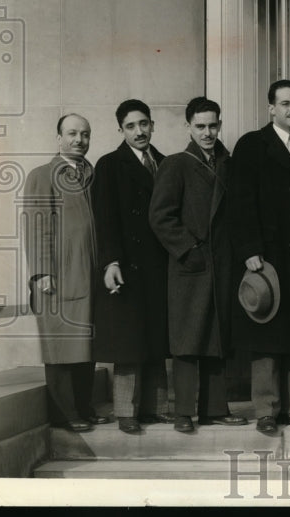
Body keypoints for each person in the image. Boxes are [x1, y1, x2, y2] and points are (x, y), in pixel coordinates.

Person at [148, 97, 247, 433]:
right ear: (188, 126)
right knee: (189, 339)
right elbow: (160, 217)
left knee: (217, 337)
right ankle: (184, 413)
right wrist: (189, 250)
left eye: (213, 125)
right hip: (191, 265)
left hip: (222, 265)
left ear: (220, 124)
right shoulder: (176, 164)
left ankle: (216, 409)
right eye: (201, 126)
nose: (208, 132)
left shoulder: (228, 163)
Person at [230, 79, 290, 434]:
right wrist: (250, 249)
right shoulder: (252, 145)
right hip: (266, 257)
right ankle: (267, 410)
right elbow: (240, 202)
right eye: (285, 104)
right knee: (266, 334)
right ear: (271, 108)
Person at [22, 113, 110, 432]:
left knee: (85, 345)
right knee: (59, 346)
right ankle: (64, 415)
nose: (79, 140)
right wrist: (42, 273)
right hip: (56, 278)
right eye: (72, 133)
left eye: (85, 134)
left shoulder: (91, 174)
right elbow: (36, 228)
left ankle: (84, 409)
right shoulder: (42, 175)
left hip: (87, 276)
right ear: (58, 138)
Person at [92, 99, 171, 434]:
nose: (139, 131)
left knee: (155, 335)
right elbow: (105, 218)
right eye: (131, 126)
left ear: (152, 125)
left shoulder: (165, 163)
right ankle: (126, 411)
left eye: (144, 124)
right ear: (120, 129)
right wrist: (110, 261)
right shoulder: (109, 165)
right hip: (125, 264)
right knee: (128, 340)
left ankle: (155, 408)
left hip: (158, 264)